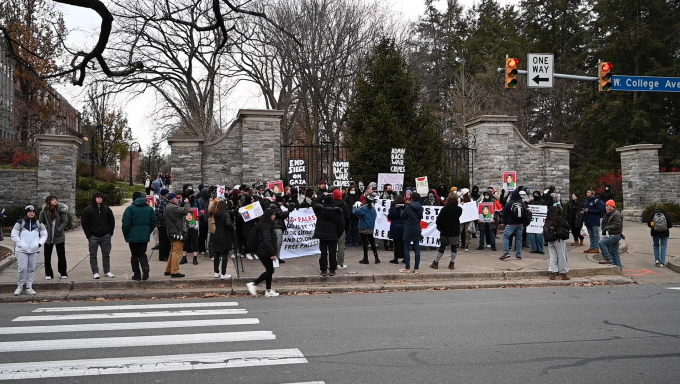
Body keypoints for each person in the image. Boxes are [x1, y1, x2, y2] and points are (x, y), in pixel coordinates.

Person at [11, 205, 47, 295]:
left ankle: (29, 287)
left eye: (33, 212)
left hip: (34, 250)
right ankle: (19, 287)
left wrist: (39, 243)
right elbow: (14, 234)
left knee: (31, 269)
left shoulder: (38, 223)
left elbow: (44, 234)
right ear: (26, 213)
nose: (31, 213)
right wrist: (20, 244)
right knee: (22, 268)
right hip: (21, 250)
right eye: (29, 212)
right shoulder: (20, 222)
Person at [122, 191, 157, 281]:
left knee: (134, 255)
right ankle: (145, 267)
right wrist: (147, 231)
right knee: (142, 253)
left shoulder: (130, 209)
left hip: (133, 237)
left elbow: (125, 224)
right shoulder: (149, 209)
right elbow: (153, 221)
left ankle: (137, 274)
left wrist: (127, 235)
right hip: (144, 236)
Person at [246, 207, 280, 297]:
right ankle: (253, 284)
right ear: (269, 216)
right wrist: (272, 253)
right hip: (264, 251)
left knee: (269, 270)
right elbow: (267, 241)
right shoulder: (266, 226)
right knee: (270, 271)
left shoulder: (265, 224)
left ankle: (268, 290)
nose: (275, 216)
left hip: (264, 251)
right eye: (273, 215)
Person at [82, 192, 116, 279]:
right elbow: (84, 223)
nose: (99, 199)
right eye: (97, 197)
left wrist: (110, 233)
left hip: (105, 235)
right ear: (94, 198)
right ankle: (95, 272)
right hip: (93, 236)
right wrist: (89, 235)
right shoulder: (88, 209)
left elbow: (111, 221)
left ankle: (107, 271)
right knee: (93, 254)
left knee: (106, 254)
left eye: (101, 197)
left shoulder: (107, 209)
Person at [38, 195, 69, 280]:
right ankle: (48, 273)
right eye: (53, 200)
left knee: (61, 255)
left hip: (59, 236)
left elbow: (65, 221)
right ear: (48, 201)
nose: (55, 201)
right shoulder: (43, 212)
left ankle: (63, 272)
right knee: (47, 256)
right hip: (48, 237)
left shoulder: (61, 211)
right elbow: (40, 222)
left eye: (56, 199)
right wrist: (46, 228)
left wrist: (59, 229)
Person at [313, 195, 345, 276]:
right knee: (332, 252)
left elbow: (313, 202)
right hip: (333, 234)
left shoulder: (319, 211)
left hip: (322, 235)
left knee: (323, 252)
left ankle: (323, 269)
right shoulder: (337, 211)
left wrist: (322, 195)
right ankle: (332, 269)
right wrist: (338, 234)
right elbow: (341, 224)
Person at [431, 194, 462, 270]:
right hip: (455, 231)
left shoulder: (444, 209)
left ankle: (436, 262)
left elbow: (439, 221)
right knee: (454, 247)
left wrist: (439, 228)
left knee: (442, 246)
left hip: (445, 230)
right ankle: (452, 263)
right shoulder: (459, 209)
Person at [164, 193, 191, 278]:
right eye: (177, 198)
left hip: (172, 231)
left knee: (173, 252)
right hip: (177, 232)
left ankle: (168, 270)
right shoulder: (173, 207)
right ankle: (174, 271)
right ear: (172, 200)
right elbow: (185, 211)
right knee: (177, 253)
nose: (178, 199)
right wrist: (187, 203)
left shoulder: (167, 207)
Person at [544, 205, 571, 280]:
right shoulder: (558, 218)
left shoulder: (547, 219)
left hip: (550, 240)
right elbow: (567, 226)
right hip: (558, 239)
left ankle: (553, 273)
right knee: (561, 256)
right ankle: (563, 273)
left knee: (553, 257)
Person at [400, 192, 423, 273]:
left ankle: (407, 267)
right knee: (417, 249)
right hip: (417, 228)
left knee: (406, 248)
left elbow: (402, 217)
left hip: (408, 228)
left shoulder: (408, 207)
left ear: (411, 198)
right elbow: (420, 218)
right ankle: (416, 268)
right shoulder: (421, 207)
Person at [353, 193, 379, 264]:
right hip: (371, 228)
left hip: (363, 228)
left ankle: (365, 258)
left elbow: (355, 212)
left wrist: (354, 207)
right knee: (372, 243)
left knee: (365, 243)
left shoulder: (364, 208)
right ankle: (376, 257)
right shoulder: (373, 209)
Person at [500, 190, 525, 260]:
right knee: (519, 239)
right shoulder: (522, 203)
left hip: (511, 223)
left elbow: (504, 213)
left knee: (506, 237)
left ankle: (506, 253)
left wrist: (505, 222)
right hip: (520, 224)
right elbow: (526, 213)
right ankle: (518, 255)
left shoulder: (509, 203)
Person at [212, 200, 234, 279]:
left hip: (216, 235)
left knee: (216, 254)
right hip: (224, 236)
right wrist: (232, 227)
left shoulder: (216, 214)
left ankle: (216, 272)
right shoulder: (226, 214)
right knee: (225, 254)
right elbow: (228, 224)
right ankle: (223, 273)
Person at [598, 200, 623, 268]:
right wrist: (604, 228)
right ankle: (618, 268)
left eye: (607, 205)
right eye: (606, 205)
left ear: (611, 206)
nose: (606, 207)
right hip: (612, 234)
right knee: (615, 253)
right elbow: (605, 223)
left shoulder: (616, 214)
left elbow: (617, 224)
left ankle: (607, 258)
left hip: (615, 235)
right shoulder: (608, 213)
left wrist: (607, 228)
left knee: (601, 243)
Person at [180, 188, 202, 265]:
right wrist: (185, 203)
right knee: (185, 241)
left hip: (194, 223)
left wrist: (198, 215)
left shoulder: (196, 201)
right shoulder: (184, 201)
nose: (192, 196)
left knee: (195, 241)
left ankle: (195, 257)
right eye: (190, 194)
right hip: (185, 224)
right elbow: (180, 210)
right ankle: (184, 257)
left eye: (193, 194)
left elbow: (201, 210)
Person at [583, 189, 605, 254]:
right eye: (587, 192)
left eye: (588, 192)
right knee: (591, 235)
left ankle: (596, 248)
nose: (586, 193)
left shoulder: (597, 201)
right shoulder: (587, 201)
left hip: (595, 220)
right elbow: (587, 209)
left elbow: (599, 210)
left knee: (596, 234)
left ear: (593, 193)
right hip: (588, 220)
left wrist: (589, 211)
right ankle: (592, 247)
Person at [332, 189, 350, 268]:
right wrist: (346, 227)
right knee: (341, 246)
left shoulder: (331, 204)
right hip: (341, 228)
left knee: (332, 246)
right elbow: (347, 217)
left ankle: (332, 263)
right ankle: (340, 263)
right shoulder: (344, 205)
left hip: (332, 228)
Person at [388, 196, 406, 264]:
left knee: (396, 243)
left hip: (395, 227)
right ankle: (405, 258)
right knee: (404, 243)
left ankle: (396, 258)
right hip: (404, 227)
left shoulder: (394, 208)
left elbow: (390, 217)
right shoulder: (405, 208)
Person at [155, 189, 171, 261]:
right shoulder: (161, 201)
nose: (168, 194)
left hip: (166, 224)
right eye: (168, 193)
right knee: (163, 241)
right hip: (162, 225)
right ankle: (162, 256)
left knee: (167, 240)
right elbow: (158, 212)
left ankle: (166, 255)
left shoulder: (166, 201)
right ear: (165, 194)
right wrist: (164, 219)